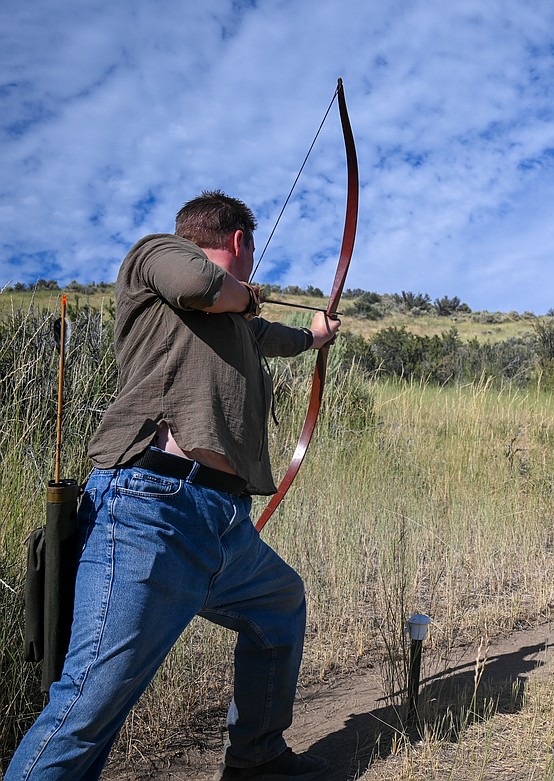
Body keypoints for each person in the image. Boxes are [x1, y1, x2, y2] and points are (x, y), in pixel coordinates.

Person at [5, 191, 340, 781]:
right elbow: (199, 285)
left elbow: (275, 337)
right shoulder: (157, 256)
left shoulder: (239, 324)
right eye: (251, 251)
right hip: (150, 510)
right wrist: (247, 295)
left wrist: (314, 337)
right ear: (237, 242)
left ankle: (258, 759)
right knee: (89, 703)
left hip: (222, 525)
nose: (252, 263)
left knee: (279, 605)